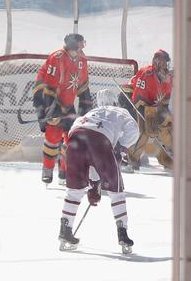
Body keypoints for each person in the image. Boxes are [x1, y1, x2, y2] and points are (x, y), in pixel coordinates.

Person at [58, 88, 139, 254]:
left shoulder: (91, 113)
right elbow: (134, 130)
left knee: (74, 191)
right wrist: (121, 149)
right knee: (117, 192)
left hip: (74, 140)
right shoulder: (120, 111)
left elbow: (87, 152)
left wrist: (94, 185)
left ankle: (65, 230)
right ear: (115, 101)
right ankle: (122, 233)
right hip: (100, 140)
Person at [33, 33, 93, 184]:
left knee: (72, 139)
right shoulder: (57, 58)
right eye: (80, 44)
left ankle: (65, 170)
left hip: (68, 105)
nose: (82, 47)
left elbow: (83, 86)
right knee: (53, 137)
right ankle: (47, 170)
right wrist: (49, 111)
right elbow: (48, 87)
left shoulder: (82, 60)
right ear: (74, 44)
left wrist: (84, 108)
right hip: (50, 102)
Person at [119, 49, 173, 170]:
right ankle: (130, 159)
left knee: (163, 128)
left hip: (148, 103)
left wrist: (161, 112)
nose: (165, 66)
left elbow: (164, 100)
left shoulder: (168, 77)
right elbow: (138, 96)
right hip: (130, 98)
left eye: (167, 64)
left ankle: (165, 158)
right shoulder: (147, 73)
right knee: (145, 130)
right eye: (163, 63)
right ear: (156, 62)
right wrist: (149, 114)